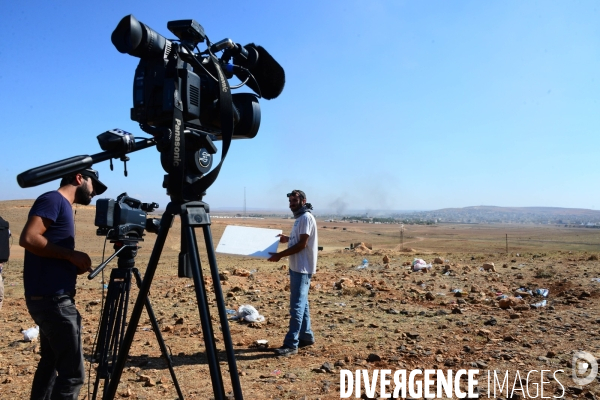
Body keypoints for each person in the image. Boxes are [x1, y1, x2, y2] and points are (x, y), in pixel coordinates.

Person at [20, 168, 106, 400]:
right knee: (72, 375)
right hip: (54, 301)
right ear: (79, 178)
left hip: (49, 298)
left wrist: (73, 264)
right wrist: (70, 256)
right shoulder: (53, 199)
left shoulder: (62, 205)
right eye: (93, 185)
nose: (95, 192)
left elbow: (48, 252)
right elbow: (29, 238)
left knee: (50, 363)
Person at [268, 189, 318, 357]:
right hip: (297, 266)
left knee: (296, 306)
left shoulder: (305, 218)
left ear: (303, 201)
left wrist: (279, 255)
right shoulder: (300, 218)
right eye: (290, 201)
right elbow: (299, 240)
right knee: (302, 304)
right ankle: (306, 336)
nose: (292, 204)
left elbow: (302, 245)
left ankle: (291, 344)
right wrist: (287, 239)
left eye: (295, 201)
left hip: (302, 268)